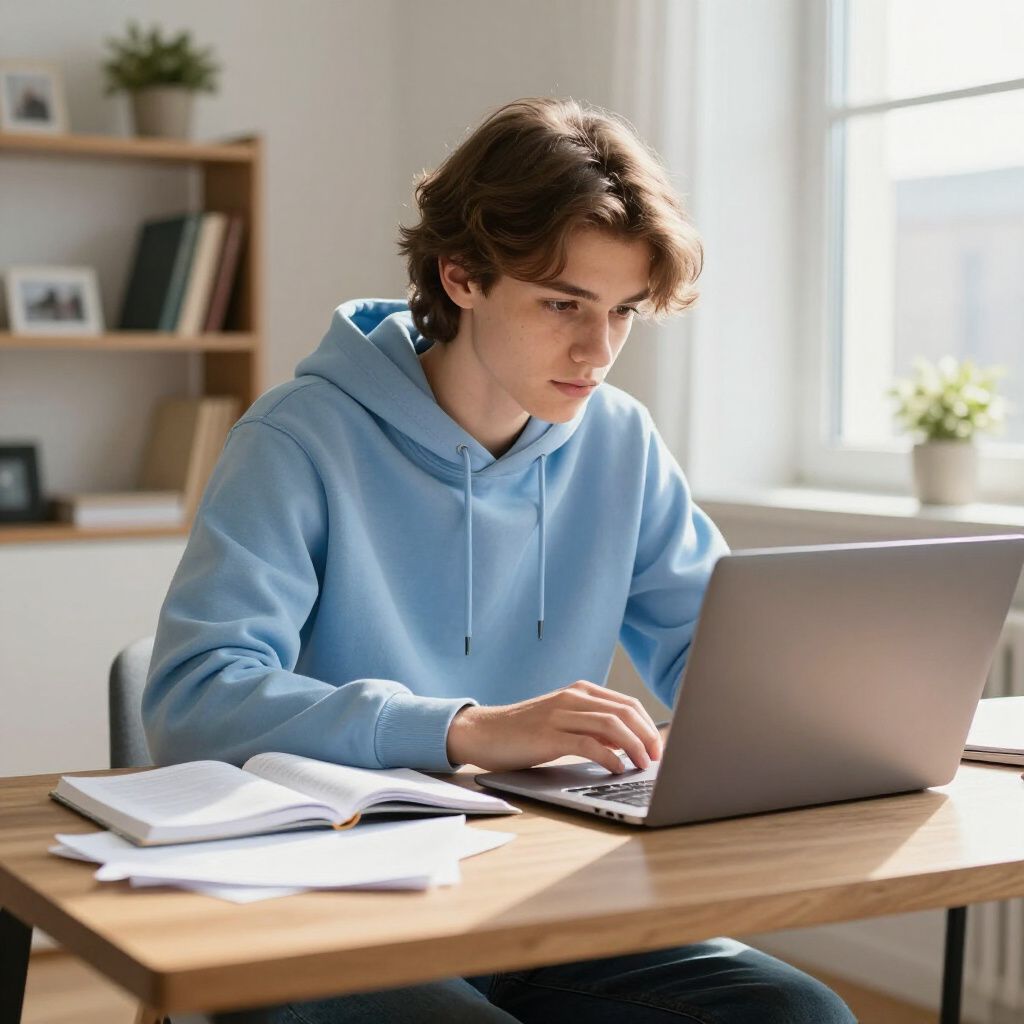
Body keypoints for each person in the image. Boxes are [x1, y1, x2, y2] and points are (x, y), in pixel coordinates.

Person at [144, 96, 855, 1024]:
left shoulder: (619, 443)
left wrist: (833, 707)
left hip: (540, 883)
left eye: (623, 313)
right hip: (329, 899)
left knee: (798, 1016)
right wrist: (464, 729)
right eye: (563, 305)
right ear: (463, 276)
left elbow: (718, 654)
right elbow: (192, 700)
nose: (598, 351)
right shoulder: (298, 438)